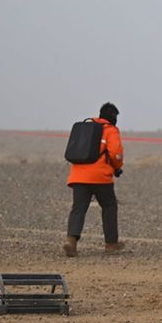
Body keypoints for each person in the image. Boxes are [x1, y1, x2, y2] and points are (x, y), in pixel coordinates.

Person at [64, 102, 125, 257]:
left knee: (78, 208)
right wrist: (117, 167)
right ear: (114, 117)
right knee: (109, 205)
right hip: (100, 177)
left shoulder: (86, 129)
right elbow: (116, 153)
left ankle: (71, 241)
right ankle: (111, 243)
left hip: (78, 176)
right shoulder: (111, 130)